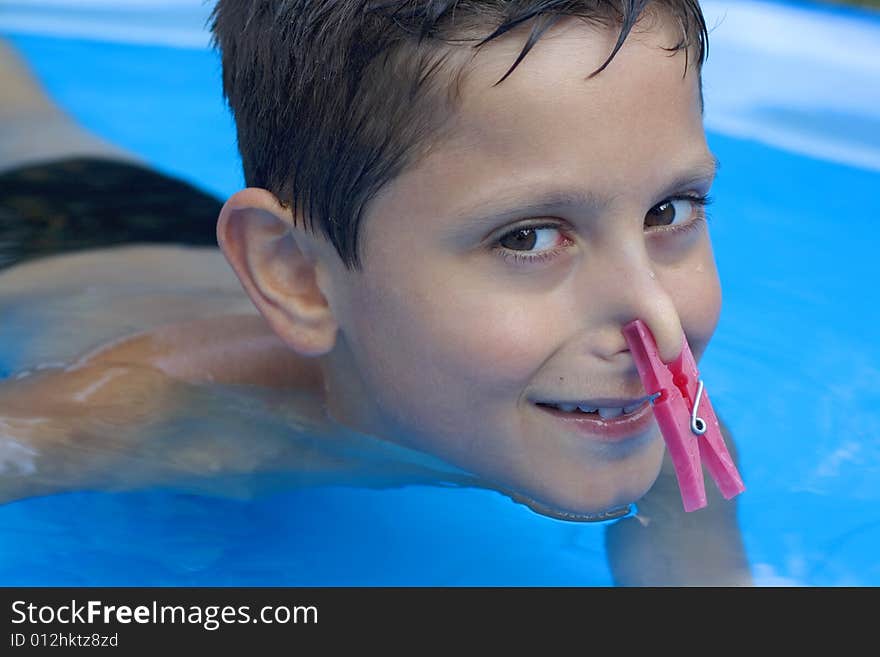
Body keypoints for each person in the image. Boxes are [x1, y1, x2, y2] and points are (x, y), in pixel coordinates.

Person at [0, 1, 752, 585]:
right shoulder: (159, 410)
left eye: (669, 211)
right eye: (525, 236)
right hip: (35, 247)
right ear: (296, 276)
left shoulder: (666, 421)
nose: (658, 318)